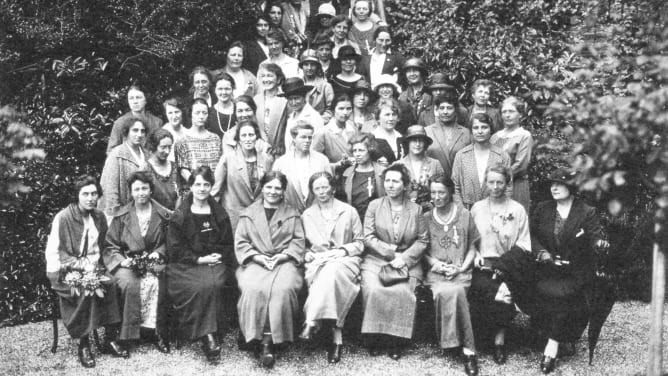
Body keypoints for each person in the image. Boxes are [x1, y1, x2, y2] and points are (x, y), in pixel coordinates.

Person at [529, 168, 608, 374]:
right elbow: (531, 237)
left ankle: (552, 347)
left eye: (559, 184)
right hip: (546, 269)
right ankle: (553, 336)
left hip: (574, 271)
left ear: (571, 186)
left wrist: (600, 243)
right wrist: (542, 253)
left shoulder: (586, 211)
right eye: (552, 184)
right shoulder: (542, 209)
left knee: (565, 294)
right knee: (546, 291)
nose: (554, 187)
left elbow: (595, 236)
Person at [45, 175, 127, 368]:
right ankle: (83, 343)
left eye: (94, 194)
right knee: (84, 291)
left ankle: (109, 338)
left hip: (92, 267)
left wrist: (103, 266)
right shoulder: (63, 217)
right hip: (63, 270)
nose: (90, 198)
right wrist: (81, 268)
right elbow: (59, 252)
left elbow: (105, 246)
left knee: (112, 283)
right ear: (77, 196)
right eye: (85, 194)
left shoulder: (98, 216)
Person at [235, 171, 306, 368]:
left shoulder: (292, 213)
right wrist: (257, 257)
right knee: (253, 288)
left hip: (284, 262)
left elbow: (299, 242)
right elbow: (241, 242)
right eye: (269, 187)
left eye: (277, 188)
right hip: (255, 261)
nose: (273, 192)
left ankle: (270, 340)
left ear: (284, 191)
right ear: (262, 188)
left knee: (282, 289)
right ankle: (252, 333)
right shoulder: (248, 213)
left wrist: (282, 256)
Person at [164, 166, 235, 364]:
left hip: (215, 260)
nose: (202, 188)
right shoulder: (181, 215)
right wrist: (198, 259)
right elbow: (175, 248)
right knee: (202, 286)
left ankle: (209, 334)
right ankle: (208, 336)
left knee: (214, 283)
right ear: (190, 187)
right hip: (186, 264)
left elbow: (227, 242)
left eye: (206, 184)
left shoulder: (219, 213)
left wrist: (217, 255)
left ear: (212, 186)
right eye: (197, 184)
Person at [361, 163, 428, 359]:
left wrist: (405, 258)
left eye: (396, 181)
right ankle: (374, 337)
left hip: (408, 262)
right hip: (377, 259)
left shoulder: (416, 209)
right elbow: (368, 236)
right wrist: (391, 255)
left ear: (405, 185)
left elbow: (423, 239)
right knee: (374, 290)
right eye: (387, 180)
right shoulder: (374, 206)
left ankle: (395, 340)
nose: (390, 185)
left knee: (401, 291)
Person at [468, 164, 531, 365]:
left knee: (503, 288)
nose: (495, 186)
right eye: (491, 182)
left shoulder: (517, 209)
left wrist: (504, 265)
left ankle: (499, 340)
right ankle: (484, 335)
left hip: (508, 264)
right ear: (486, 183)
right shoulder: (477, 208)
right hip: (482, 264)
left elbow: (524, 243)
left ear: (507, 184)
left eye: (500, 182)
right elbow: (469, 239)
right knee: (483, 287)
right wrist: (476, 253)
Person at [103, 171, 171, 352]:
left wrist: (159, 252)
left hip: (154, 261)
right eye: (136, 189)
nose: (141, 193)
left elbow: (170, 241)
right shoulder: (122, 215)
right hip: (128, 261)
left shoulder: (163, 214)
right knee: (130, 283)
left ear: (150, 190)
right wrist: (121, 261)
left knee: (159, 281)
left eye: (144, 188)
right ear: (131, 192)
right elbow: (110, 245)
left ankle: (157, 332)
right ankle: (127, 334)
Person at [300, 172, 364, 363]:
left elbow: (360, 243)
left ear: (333, 188)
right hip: (318, 262)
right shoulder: (307, 215)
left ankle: (311, 320)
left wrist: (342, 251)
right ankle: (337, 339)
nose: (321, 192)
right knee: (328, 273)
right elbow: (301, 244)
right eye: (317, 188)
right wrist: (307, 254)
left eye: (325, 187)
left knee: (333, 271)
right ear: (312, 191)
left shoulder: (349, 211)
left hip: (345, 261)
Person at [423, 174, 480, 376]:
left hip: (460, 270)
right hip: (437, 272)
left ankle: (468, 349)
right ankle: (453, 341)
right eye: (433, 192)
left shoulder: (464, 215)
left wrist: (462, 268)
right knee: (441, 292)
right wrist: (437, 265)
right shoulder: (427, 218)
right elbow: (423, 250)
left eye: (441, 192)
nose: (437, 197)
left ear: (450, 193)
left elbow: (473, 246)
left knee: (458, 291)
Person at [212, 120, 274, 230]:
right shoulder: (228, 158)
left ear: (257, 137)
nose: (248, 139)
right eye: (244, 135)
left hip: (258, 215)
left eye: (251, 135)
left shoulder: (266, 160)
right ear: (238, 139)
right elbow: (216, 189)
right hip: (234, 215)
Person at [451, 113, 511, 209]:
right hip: (467, 209)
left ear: (491, 130)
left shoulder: (502, 156)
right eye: (476, 128)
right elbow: (455, 186)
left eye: (484, 127)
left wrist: (502, 209)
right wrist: (462, 211)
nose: (480, 131)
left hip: (495, 209)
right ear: (471, 131)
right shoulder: (461, 155)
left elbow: (508, 187)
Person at [273, 121, 332, 212]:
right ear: (294, 139)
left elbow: (330, 188)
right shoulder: (281, 162)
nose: (307, 141)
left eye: (309, 138)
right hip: (290, 213)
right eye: (303, 137)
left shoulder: (322, 160)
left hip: (317, 212)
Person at [491, 96, 534, 212]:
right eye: (504, 112)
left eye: (511, 111)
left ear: (520, 114)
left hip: (516, 185)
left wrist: (499, 178)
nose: (507, 115)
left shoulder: (524, 135)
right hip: (495, 185)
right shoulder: (495, 137)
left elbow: (520, 165)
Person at [99, 117, 148, 217]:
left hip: (141, 210)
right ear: (127, 132)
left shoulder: (147, 155)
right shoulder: (117, 154)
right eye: (135, 130)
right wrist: (116, 214)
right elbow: (109, 189)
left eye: (142, 131)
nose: (139, 134)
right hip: (120, 212)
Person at [174, 99, 222, 188]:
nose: (201, 116)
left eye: (204, 113)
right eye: (197, 113)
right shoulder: (182, 140)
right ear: (190, 114)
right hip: (194, 191)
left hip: (215, 189)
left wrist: (214, 188)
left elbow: (220, 167)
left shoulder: (216, 139)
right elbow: (183, 170)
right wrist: (199, 187)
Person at [395, 125, 444, 209]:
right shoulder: (397, 165)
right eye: (414, 140)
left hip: (429, 212)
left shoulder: (435, 164)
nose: (417, 144)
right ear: (408, 143)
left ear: (425, 143)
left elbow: (443, 189)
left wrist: (432, 204)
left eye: (420, 141)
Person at [425, 92, 473, 176]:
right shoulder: (427, 131)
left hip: (459, 181)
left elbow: (470, 161)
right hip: (435, 182)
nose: (445, 112)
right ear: (437, 110)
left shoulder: (466, 132)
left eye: (449, 108)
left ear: (455, 110)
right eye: (442, 108)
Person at [107, 85, 162, 154]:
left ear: (145, 100)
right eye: (131, 98)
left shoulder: (156, 122)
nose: (135, 101)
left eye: (138, 98)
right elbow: (111, 151)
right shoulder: (120, 123)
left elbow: (161, 147)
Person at [341, 133, 385, 219]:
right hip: (355, 219)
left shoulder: (382, 172)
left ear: (370, 150)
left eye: (361, 150)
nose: (357, 154)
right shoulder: (347, 173)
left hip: (378, 219)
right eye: (355, 151)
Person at [312, 94, 357, 167]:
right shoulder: (323, 133)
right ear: (333, 110)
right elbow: (314, 161)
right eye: (341, 108)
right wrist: (338, 164)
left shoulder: (353, 127)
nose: (345, 112)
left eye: (349, 108)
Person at [281, 77, 324, 152]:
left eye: (297, 98)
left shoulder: (313, 117)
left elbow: (316, 146)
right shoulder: (291, 117)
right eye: (290, 99)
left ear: (304, 97)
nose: (293, 103)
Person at [254, 62, 288, 146]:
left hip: (279, 146)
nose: (266, 80)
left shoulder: (285, 99)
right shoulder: (256, 99)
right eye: (263, 76)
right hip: (260, 146)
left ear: (278, 79)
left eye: (270, 76)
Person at [147, 129, 179, 210]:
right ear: (154, 146)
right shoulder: (145, 169)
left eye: (169, 147)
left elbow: (181, 194)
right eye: (163, 147)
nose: (167, 151)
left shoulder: (175, 167)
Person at [300, 49, 334, 116]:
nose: (309, 68)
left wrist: (319, 122)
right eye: (306, 64)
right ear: (301, 66)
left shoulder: (325, 86)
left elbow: (330, 110)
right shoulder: (297, 84)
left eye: (312, 65)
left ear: (317, 66)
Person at [206, 73, 237, 140]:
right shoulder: (209, 112)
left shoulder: (239, 110)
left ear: (232, 89)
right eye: (220, 89)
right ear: (215, 90)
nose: (224, 92)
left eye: (227, 89)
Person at [161, 97, 188, 162]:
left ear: (182, 112)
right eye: (170, 113)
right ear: (166, 114)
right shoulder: (163, 133)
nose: (174, 116)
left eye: (176, 112)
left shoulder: (187, 131)